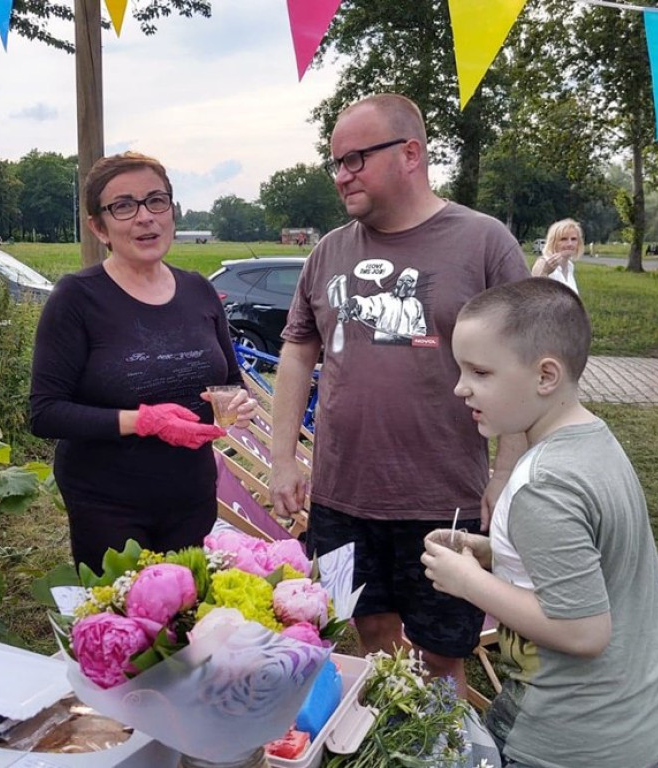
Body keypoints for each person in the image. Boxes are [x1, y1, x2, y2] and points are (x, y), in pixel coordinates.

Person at [270, 93, 530, 695]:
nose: (341, 175)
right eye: (335, 162)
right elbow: (297, 349)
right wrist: (284, 458)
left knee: (442, 660)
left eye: (356, 158)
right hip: (343, 495)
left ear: (411, 153)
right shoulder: (329, 250)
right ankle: (392, 745)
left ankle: (442, 753)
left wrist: (506, 472)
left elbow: (524, 366)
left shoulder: (484, 244)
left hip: (446, 504)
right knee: (371, 639)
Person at [422, 278, 658, 768]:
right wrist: (493, 551)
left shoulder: (543, 485)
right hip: (646, 727)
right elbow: (595, 557)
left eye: (480, 371)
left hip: (577, 745)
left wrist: (468, 582)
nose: (459, 387)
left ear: (546, 375)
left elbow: (582, 633)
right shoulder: (592, 442)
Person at [29, 151, 256, 573]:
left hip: (192, 493)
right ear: (100, 227)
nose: (145, 217)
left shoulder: (199, 291)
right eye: (124, 206)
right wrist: (143, 421)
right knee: (130, 627)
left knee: (188, 623)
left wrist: (238, 403)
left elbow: (229, 380)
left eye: (156, 201)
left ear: (172, 210)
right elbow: (45, 413)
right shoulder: (78, 298)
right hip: (108, 501)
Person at [531, 218, 583, 294]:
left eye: (573, 239)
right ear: (553, 242)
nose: (570, 244)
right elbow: (534, 295)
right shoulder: (543, 263)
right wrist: (545, 272)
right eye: (563, 239)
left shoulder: (570, 266)